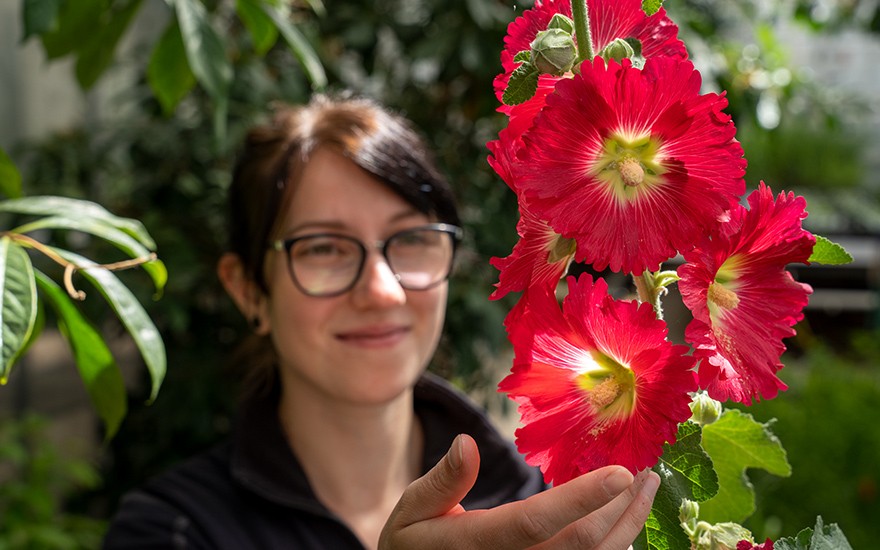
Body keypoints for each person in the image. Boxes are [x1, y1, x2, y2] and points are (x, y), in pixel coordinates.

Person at [103, 93, 660, 549]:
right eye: (323, 249)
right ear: (249, 290)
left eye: (412, 240)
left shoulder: (545, 498)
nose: (382, 290)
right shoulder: (172, 531)